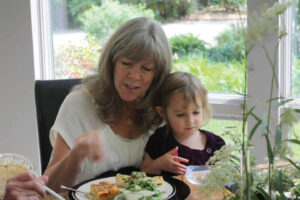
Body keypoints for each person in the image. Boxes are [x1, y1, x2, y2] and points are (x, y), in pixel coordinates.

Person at [44, 17, 173, 192]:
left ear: (157, 74)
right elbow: (49, 188)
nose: (134, 76)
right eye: (126, 63)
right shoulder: (79, 104)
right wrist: (76, 155)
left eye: (146, 69)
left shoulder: (161, 108)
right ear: (111, 63)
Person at [141, 72, 225, 176]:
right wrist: (159, 164)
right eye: (181, 115)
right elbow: (144, 173)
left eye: (196, 112)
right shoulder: (160, 140)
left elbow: (225, 178)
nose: (190, 120)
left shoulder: (215, 145)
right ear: (162, 112)